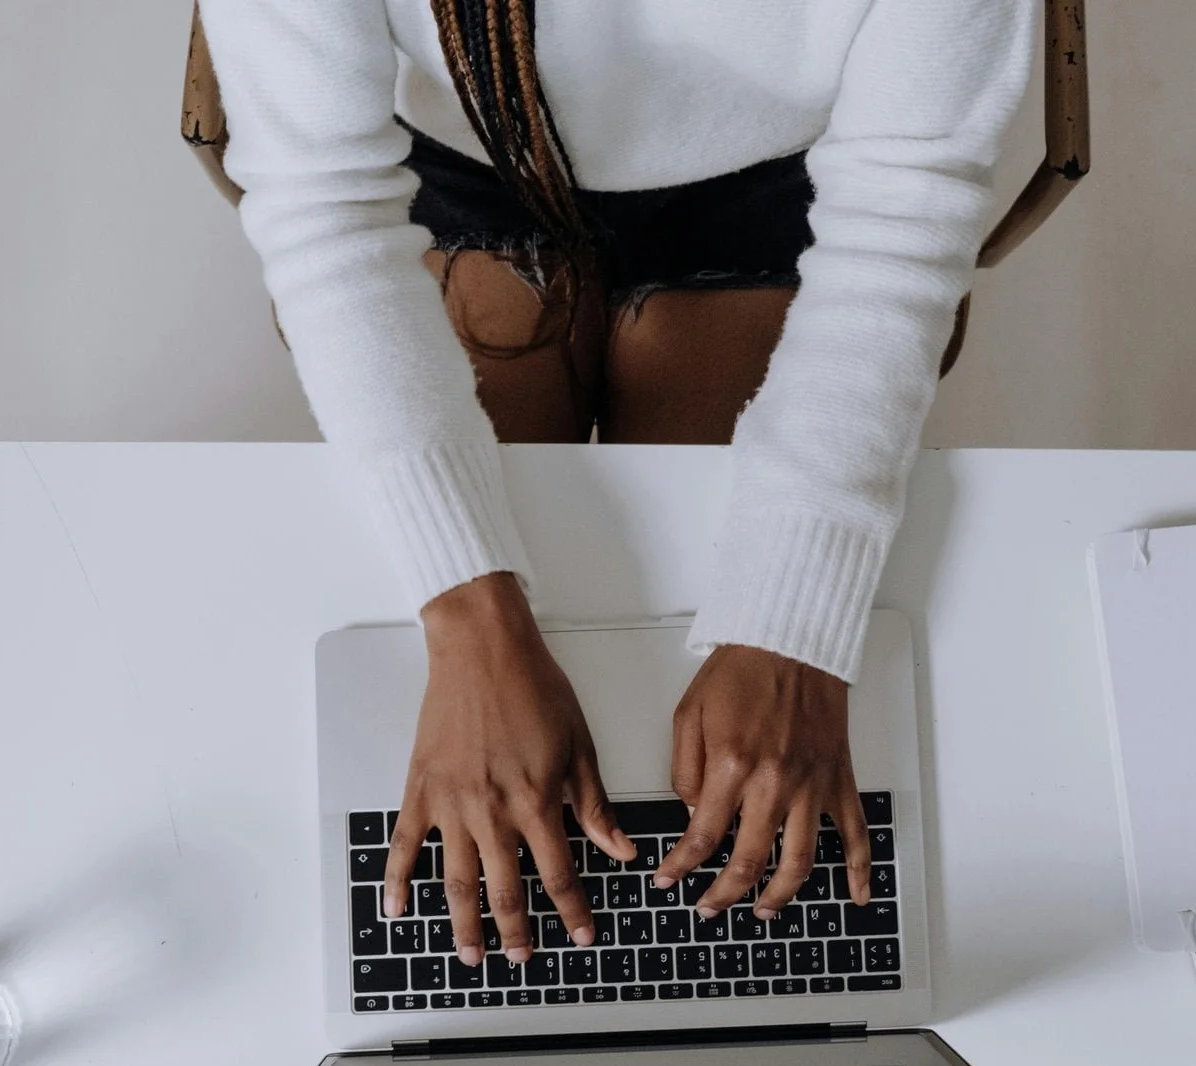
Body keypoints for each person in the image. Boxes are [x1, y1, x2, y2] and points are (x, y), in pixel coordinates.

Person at [203, 0, 1033, 969]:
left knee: (700, 779)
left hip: (780, 176)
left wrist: (789, 629)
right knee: (468, 775)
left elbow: (905, 201)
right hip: (468, 155)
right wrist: (468, 616)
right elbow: (322, 202)